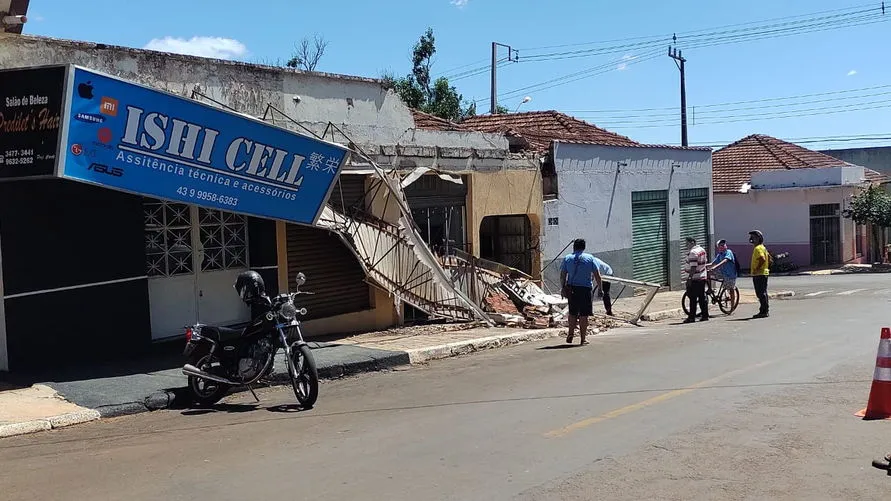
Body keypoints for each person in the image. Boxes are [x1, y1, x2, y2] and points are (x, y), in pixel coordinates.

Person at [560, 238, 603, 345]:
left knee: (572, 313)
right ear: (584, 247)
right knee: (584, 314)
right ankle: (583, 339)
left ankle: (570, 334)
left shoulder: (567, 258)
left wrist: (563, 287)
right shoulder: (590, 258)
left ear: (574, 247)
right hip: (585, 289)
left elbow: (562, 275)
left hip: (572, 289)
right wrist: (600, 289)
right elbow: (598, 275)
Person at [683, 236, 709, 323]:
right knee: (702, 297)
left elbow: (693, 267)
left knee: (693, 298)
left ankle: (691, 317)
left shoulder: (693, 253)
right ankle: (705, 315)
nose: (686, 245)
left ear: (693, 242)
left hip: (695, 279)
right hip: (702, 276)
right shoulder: (702, 250)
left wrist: (689, 278)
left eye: (687, 243)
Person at [707, 239, 738, 308]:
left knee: (731, 289)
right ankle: (710, 289)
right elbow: (712, 263)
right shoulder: (719, 254)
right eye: (720, 245)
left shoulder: (728, 252)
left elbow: (725, 261)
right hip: (722, 273)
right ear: (718, 247)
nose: (723, 246)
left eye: (723, 244)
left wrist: (715, 267)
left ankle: (732, 306)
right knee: (708, 273)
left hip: (730, 275)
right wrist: (703, 266)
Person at [749, 229, 771, 318]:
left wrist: (757, 268)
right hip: (763, 273)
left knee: (760, 293)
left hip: (759, 274)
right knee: (763, 292)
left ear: (759, 239)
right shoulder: (763, 247)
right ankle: (764, 310)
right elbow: (769, 258)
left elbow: (763, 259)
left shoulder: (758, 248)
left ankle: (764, 311)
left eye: (754, 238)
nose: (752, 239)